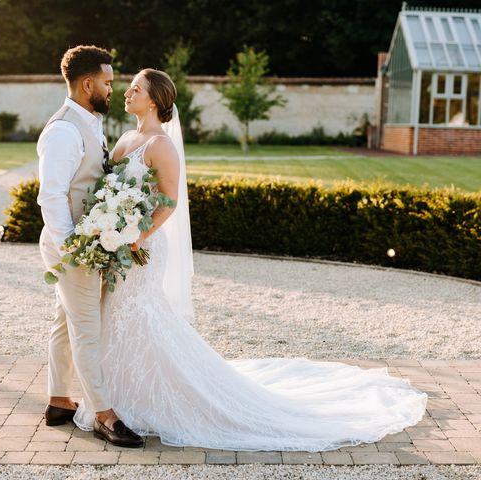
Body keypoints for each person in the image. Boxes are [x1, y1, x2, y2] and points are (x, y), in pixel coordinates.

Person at [72, 68, 428, 451]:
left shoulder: (161, 145)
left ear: (154, 100)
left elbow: (169, 201)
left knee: (138, 315)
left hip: (142, 247)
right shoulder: (126, 138)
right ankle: (118, 399)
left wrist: (136, 236)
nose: (127, 93)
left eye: (136, 89)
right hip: (118, 243)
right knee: (114, 314)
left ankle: (151, 399)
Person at [37, 45, 143, 448]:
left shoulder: (89, 121)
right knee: (88, 330)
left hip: (84, 243)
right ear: (87, 84)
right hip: (72, 248)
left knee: (66, 321)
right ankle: (103, 415)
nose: (112, 89)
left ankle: (60, 400)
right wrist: (73, 252)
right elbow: (51, 197)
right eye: (107, 82)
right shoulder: (64, 130)